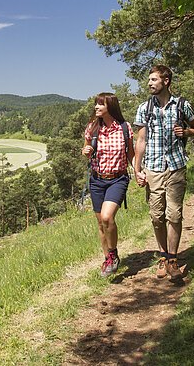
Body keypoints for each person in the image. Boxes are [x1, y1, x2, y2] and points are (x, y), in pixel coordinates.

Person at [133, 65, 194, 281]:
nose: (149, 83)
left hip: (176, 166)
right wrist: (137, 169)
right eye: (149, 80)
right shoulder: (144, 108)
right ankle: (163, 255)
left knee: (174, 214)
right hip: (153, 168)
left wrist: (187, 132)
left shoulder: (182, 105)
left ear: (166, 81)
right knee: (156, 216)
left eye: (154, 80)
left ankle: (172, 260)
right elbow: (141, 140)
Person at [82, 93, 135, 277]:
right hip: (97, 180)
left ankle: (112, 254)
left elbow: (131, 154)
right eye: (96, 104)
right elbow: (86, 149)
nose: (96, 107)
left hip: (118, 179)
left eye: (100, 104)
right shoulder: (92, 128)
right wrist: (86, 150)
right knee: (100, 223)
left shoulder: (124, 128)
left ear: (110, 107)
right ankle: (108, 259)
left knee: (107, 217)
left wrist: (139, 171)